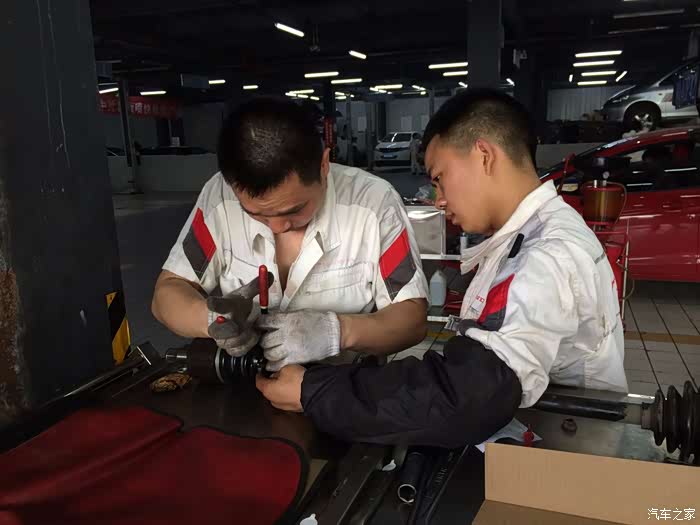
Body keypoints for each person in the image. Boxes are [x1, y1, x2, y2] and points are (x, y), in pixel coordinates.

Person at [256, 89, 628, 448]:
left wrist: (313, 391)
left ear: (484, 155)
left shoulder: (543, 255)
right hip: (553, 431)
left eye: (439, 178)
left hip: (563, 447)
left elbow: (467, 395)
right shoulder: (536, 233)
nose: (439, 200)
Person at [152, 98, 429, 372]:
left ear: (323, 165)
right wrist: (212, 319)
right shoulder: (220, 198)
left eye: (294, 210)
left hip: (344, 387)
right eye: (256, 214)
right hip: (246, 386)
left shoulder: (374, 203)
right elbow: (167, 293)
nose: (277, 227)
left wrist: (338, 331)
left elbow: (412, 319)